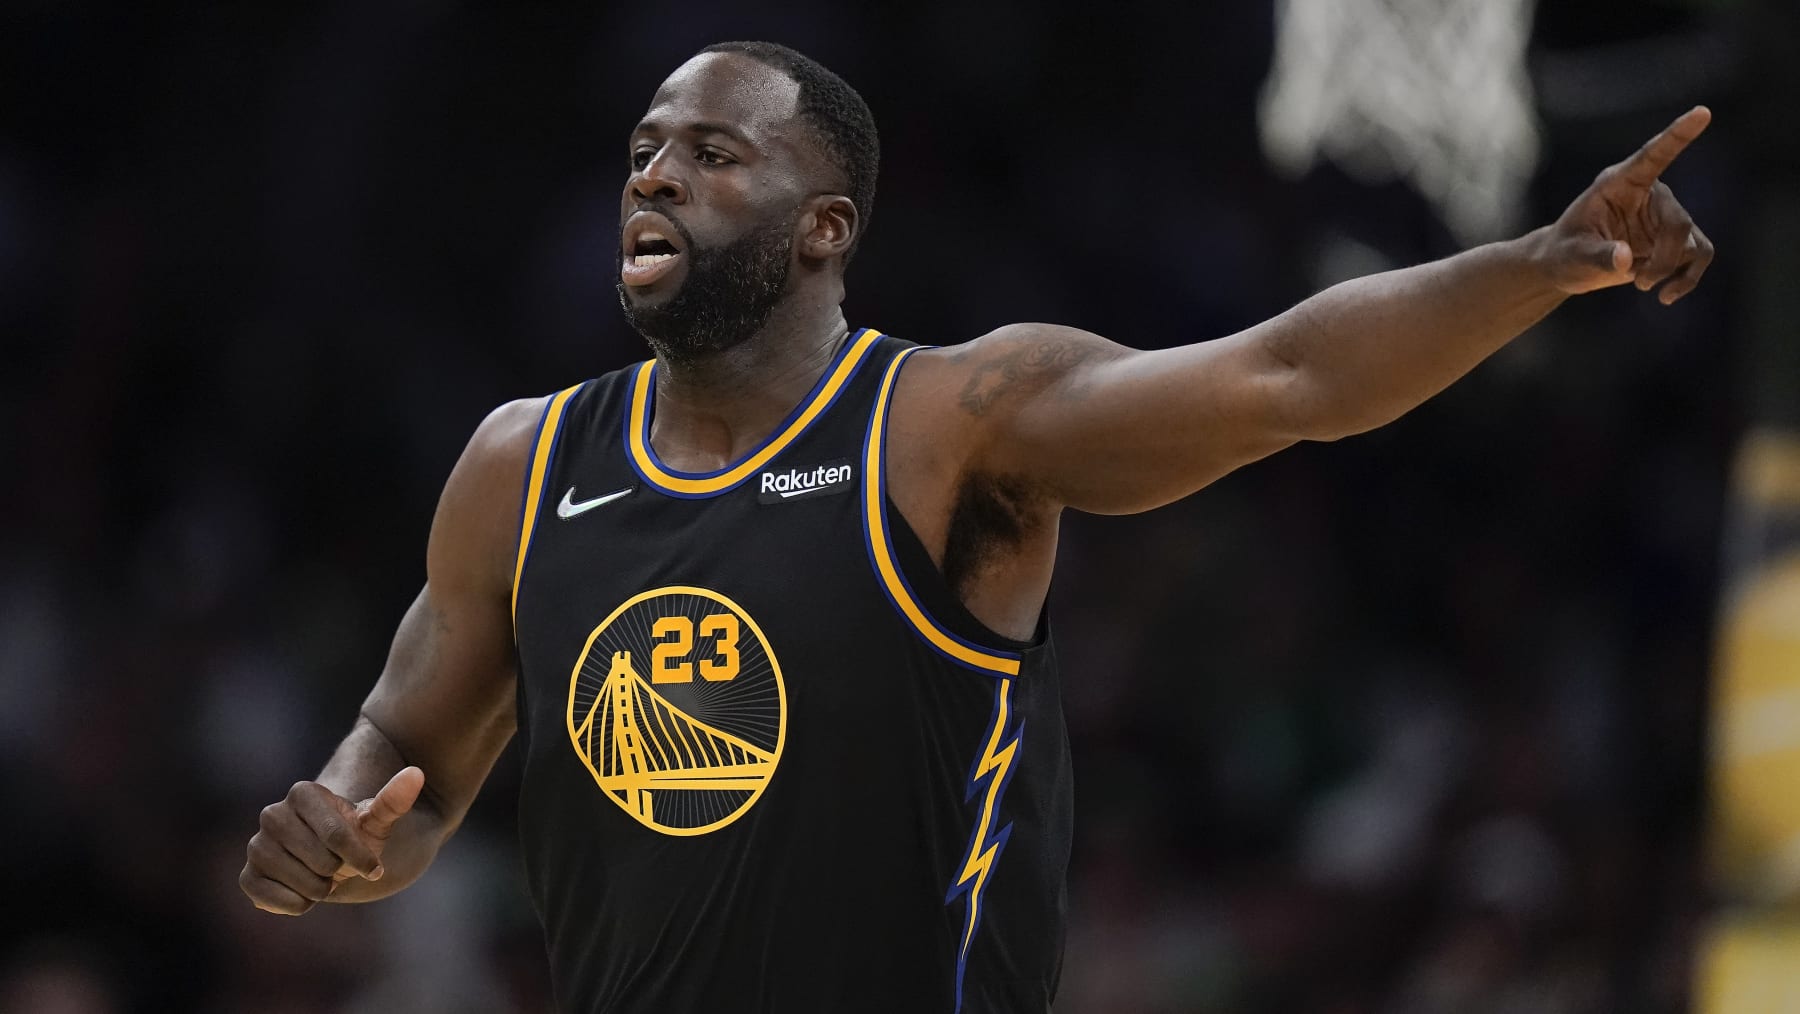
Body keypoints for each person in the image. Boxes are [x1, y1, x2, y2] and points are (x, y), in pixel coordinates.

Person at [238, 40, 1715, 1014]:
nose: (656, 172)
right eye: (642, 147)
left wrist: (1537, 263)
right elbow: (402, 763)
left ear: (825, 228)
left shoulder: (959, 424)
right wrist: (338, 830)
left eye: (711, 152)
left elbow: (1290, 376)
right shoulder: (522, 460)